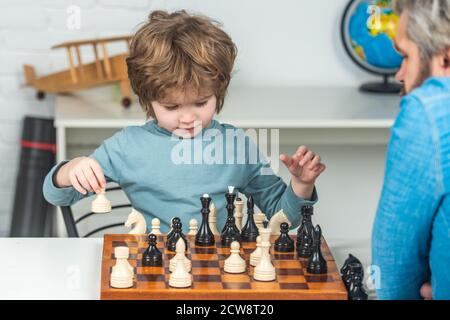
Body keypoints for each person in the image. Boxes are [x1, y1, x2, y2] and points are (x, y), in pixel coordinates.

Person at [43, 10, 326, 232]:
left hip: (220, 271)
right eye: (171, 106)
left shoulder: (237, 146)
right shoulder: (126, 147)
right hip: (155, 273)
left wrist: (301, 184)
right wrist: (71, 170)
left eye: (201, 103)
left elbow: (283, 218)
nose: (188, 117)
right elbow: (57, 196)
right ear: (147, 99)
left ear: (219, 91)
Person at [372, 0, 450, 300]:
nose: (400, 74)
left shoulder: (429, 110)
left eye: (406, 56)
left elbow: (393, 266)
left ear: (445, 56)